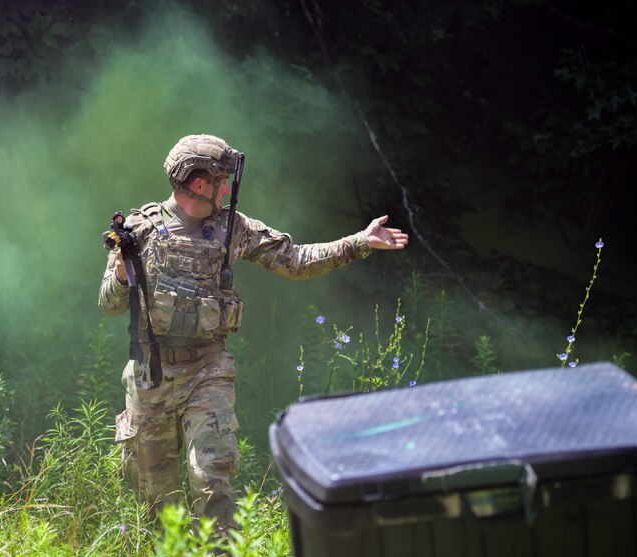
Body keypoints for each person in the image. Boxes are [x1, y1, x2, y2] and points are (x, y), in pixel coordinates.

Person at [98, 134, 408, 534]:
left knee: (210, 476)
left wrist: (359, 243)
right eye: (221, 179)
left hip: (206, 370)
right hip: (150, 375)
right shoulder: (137, 231)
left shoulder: (233, 229)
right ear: (197, 182)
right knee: (155, 499)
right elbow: (108, 304)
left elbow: (295, 261)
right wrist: (122, 273)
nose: (227, 187)